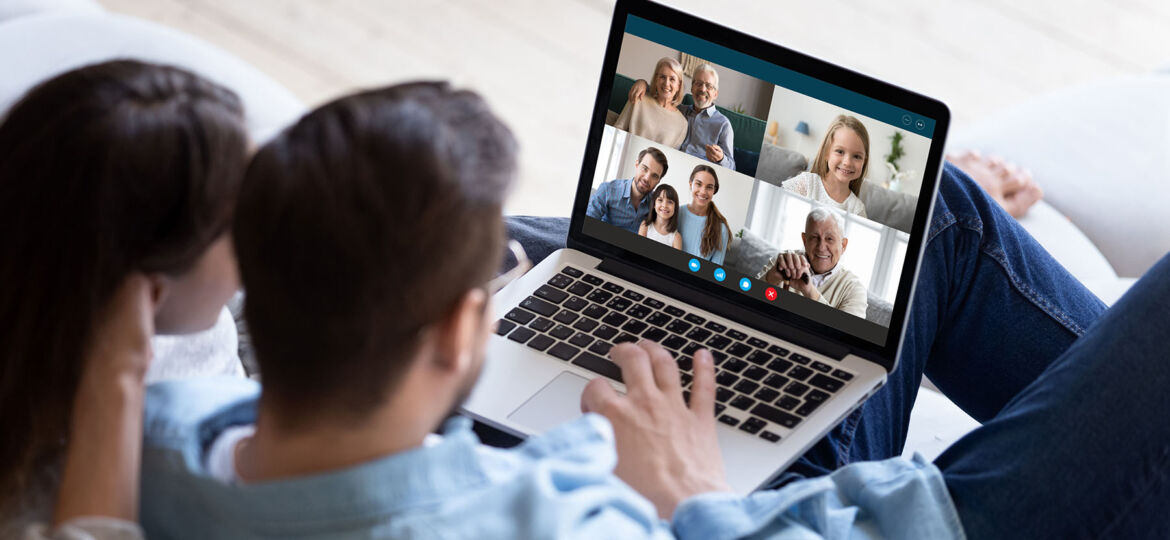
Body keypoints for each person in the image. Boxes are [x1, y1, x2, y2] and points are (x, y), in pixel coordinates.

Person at [137, 81, 1170, 539]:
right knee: (940, 219)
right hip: (902, 523)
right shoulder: (541, 519)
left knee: (920, 214)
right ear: (462, 329)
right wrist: (681, 496)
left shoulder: (163, 447)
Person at [0, 60, 247, 539]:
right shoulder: (40, 491)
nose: (264, 234)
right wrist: (117, 379)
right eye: (239, 228)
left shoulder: (196, 323)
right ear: (148, 291)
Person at [756, 207, 868, 318]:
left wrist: (810, 291)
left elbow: (847, 333)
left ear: (843, 245)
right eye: (814, 237)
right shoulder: (784, 261)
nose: (821, 247)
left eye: (829, 239)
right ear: (804, 240)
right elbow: (747, 299)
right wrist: (770, 279)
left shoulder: (854, 289)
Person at [628, 63, 736, 170]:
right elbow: (661, 94)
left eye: (708, 86)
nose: (703, 89)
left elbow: (732, 167)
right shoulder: (678, 110)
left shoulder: (723, 124)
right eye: (698, 83)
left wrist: (720, 158)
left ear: (715, 94)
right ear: (692, 88)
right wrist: (642, 83)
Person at [783, 114, 870, 218]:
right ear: (826, 152)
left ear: (864, 161)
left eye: (856, 156)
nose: (847, 162)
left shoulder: (857, 210)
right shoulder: (807, 183)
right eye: (840, 151)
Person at [586, 146, 668, 232]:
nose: (647, 178)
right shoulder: (607, 190)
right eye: (645, 168)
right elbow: (587, 225)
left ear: (658, 181)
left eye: (654, 176)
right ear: (637, 165)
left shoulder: (657, 204)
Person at [613, 57, 688, 148]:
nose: (666, 83)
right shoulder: (638, 97)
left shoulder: (682, 123)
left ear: (678, 85)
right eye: (662, 77)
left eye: (672, 79)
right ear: (656, 79)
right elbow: (617, 130)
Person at [678, 164, 731, 264]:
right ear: (690, 184)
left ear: (714, 190)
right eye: (698, 184)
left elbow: (715, 270)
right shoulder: (676, 214)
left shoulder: (721, 229)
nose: (703, 191)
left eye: (709, 187)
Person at [638, 184, 684, 249]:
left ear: (675, 208)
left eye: (670, 202)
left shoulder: (676, 238)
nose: (664, 205)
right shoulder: (645, 226)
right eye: (660, 200)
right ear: (654, 204)